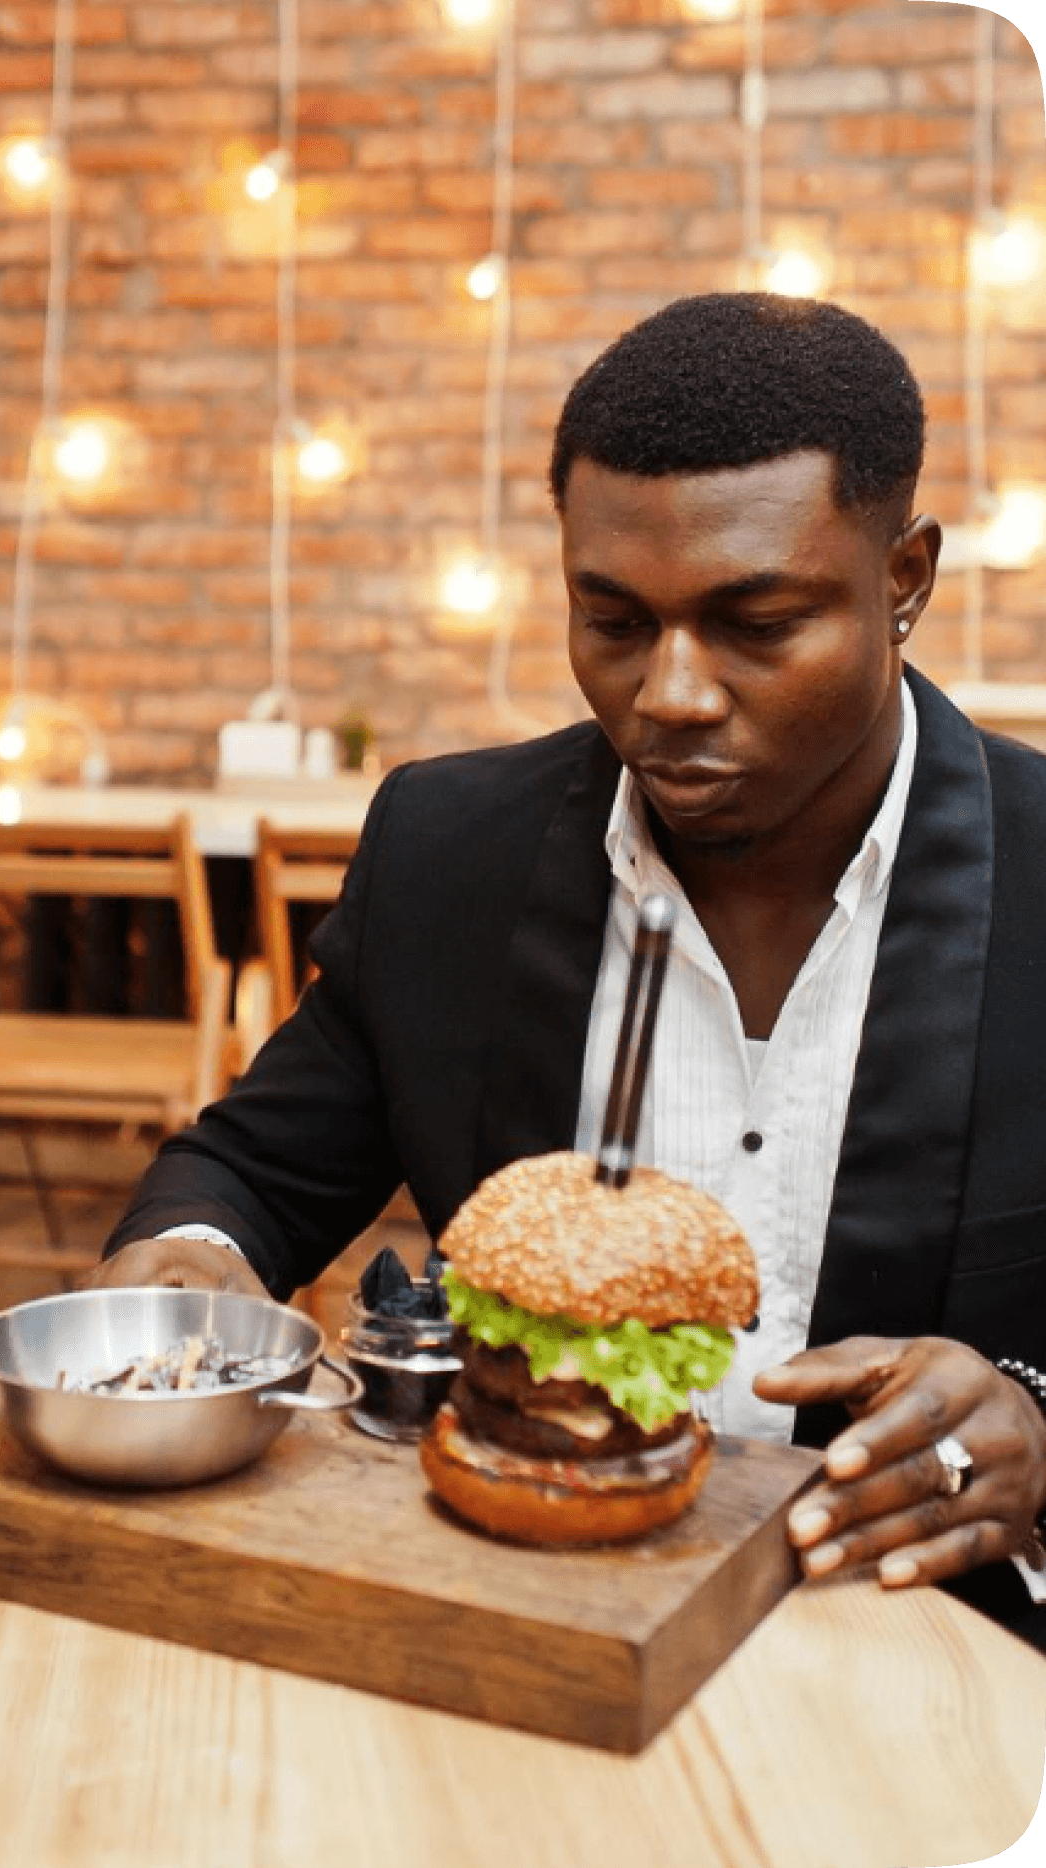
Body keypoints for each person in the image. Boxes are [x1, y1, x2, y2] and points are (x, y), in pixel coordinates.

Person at [92, 291, 1046, 1644]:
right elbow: (249, 1172)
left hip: (930, 1675)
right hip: (513, 1632)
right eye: (612, 620)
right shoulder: (446, 852)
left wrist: (1033, 1423)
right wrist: (189, 1255)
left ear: (903, 580)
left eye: (755, 623)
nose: (671, 693)